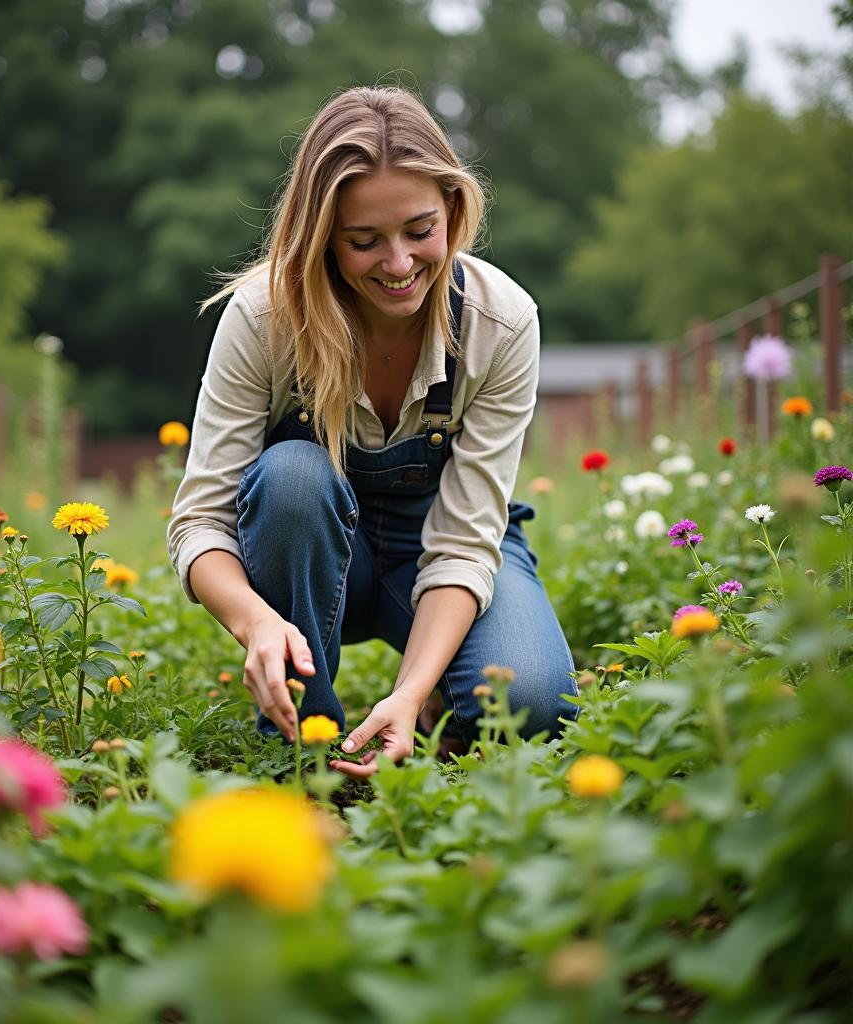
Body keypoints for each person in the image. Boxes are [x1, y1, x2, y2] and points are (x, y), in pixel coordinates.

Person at [167, 85, 576, 778]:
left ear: (452, 206)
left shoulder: (503, 322)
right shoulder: (263, 317)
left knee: (532, 703)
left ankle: (413, 713)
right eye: (364, 242)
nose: (397, 264)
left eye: (419, 231)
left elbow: (464, 541)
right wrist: (256, 622)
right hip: (317, 551)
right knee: (293, 476)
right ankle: (307, 733)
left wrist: (412, 689)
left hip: (441, 552)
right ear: (323, 235)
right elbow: (201, 522)